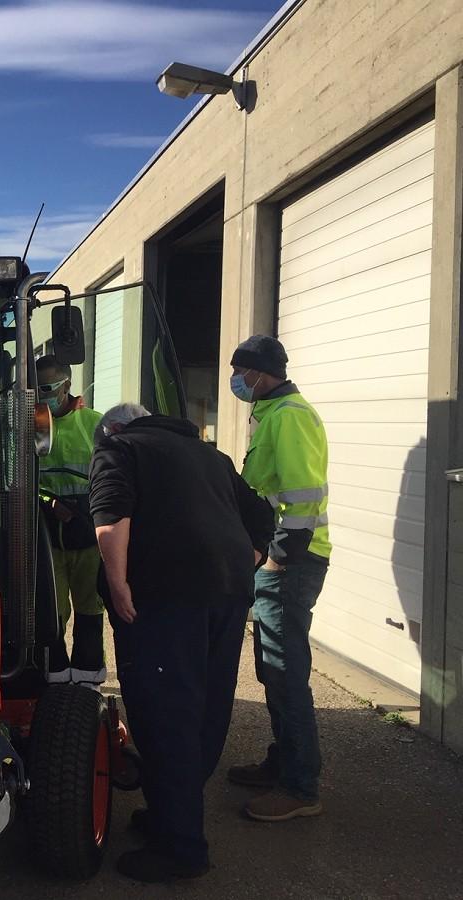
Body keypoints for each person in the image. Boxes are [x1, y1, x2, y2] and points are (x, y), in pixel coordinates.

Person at [89, 403, 273, 884]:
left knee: (166, 712)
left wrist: (119, 581)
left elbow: (111, 517)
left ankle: (181, 849)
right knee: (207, 709)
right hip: (227, 593)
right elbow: (261, 514)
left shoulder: (118, 448)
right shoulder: (211, 456)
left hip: (167, 599)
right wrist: (241, 560)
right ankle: (172, 814)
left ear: (112, 429)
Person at [225, 334, 332, 822]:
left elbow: (302, 496)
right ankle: (284, 759)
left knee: (287, 674)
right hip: (278, 560)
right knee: (273, 668)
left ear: (261, 374)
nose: (237, 381)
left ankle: (300, 786)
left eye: (241, 372)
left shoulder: (289, 417)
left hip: (290, 563)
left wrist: (278, 558)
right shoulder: (273, 414)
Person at [35, 355, 105, 686]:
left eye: (48, 387)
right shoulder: (30, 427)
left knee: (91, 608)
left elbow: (113, 478)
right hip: (49, 535)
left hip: (88, 532)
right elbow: (19, 481)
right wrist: (49, 503)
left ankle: (89, 679)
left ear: (66, 384)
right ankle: (57, 678)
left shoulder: (96, 423)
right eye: (36, 388)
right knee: (53, 612)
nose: (42, 394)